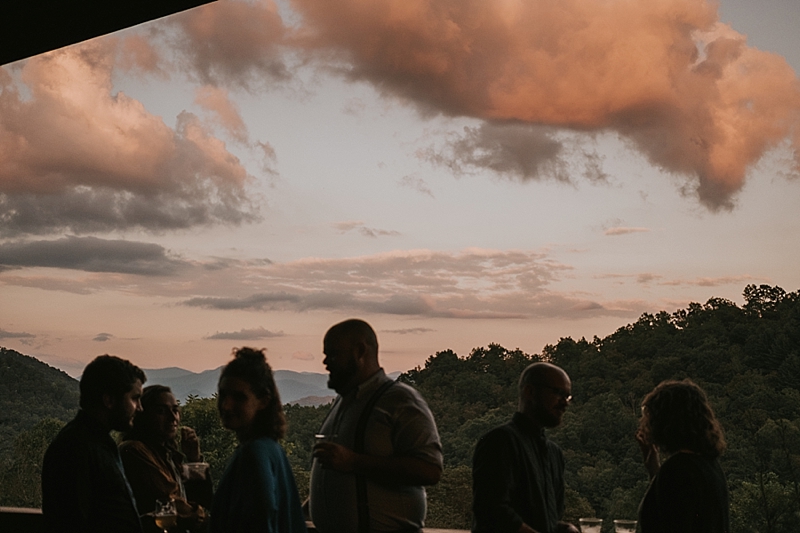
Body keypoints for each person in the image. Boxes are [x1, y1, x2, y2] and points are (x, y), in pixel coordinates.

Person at [309, 319, 443, 533]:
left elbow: (430, 471)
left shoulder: (400, 401)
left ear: (360, 351)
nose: (326, 363)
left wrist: (354, 461)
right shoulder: (344, 403)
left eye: (333, 354)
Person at [41, 355, 146, 533]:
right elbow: (71, 522)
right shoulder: (75, 448)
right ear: (109, 400)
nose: (140, 408)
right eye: (135, 399)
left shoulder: (97, 443)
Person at [472, 362, 579, 533]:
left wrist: (566, 528)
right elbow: (491, 511)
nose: (565, 403)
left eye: (567, 396)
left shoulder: (554, 454)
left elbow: (549, 520)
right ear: (530, 392)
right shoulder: (499, 441)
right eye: (558, 393)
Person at [210, 347, 306, 533]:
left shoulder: (254, 454)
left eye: (239, 397)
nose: (226, 405)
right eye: (223, 395)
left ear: (263, 401)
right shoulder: (271, 448)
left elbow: (259, 516)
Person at [636, 379, 730, 533]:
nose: (645, 421)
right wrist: (654, 469)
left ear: (666, 421)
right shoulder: (710, 466)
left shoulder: (677, 471)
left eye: (649, 416)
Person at [119, 385, 213, 532]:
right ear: (143, 414)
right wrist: (206, 519)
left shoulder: (168, 455)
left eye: (175, 410)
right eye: (161, 411)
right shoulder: (134, 451)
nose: (172, 417)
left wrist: (194, 459)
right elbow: (170, 502)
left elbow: (203, 498)